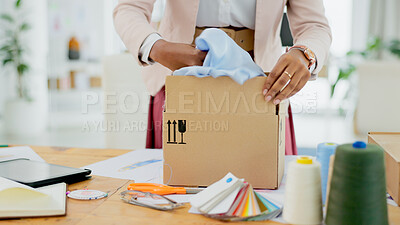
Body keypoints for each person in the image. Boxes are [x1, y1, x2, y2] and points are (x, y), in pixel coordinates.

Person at [113, 0, 332, 154]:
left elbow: (314, 25)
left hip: (262, 85)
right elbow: (129, 8)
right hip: (180, 77)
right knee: (175, 193)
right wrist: (158, 48)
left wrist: (305, 53)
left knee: (265, 194)